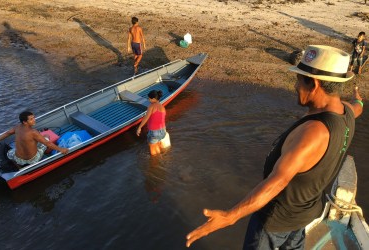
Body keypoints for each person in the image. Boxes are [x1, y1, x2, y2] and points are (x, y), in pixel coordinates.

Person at [186, 45, 364, 249]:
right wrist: (359, 99)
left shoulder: (313, 133)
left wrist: (230, 216)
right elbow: (358, 105)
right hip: (303, 215)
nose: (296, 86)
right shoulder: (347, 113)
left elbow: (276, 182)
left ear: (314, 84)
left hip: (275, 222)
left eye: (298, 80)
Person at [0, 111, 69, 167]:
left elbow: (7, 133)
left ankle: (19, 166)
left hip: (18, 159)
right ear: (25, 122)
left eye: (34, 117)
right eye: (31, 119)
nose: (34, 120)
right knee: (47, 137)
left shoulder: (17, 127)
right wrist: (61, 149)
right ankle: (46, 152)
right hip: (32, 160)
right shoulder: (33, 132)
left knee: (9, 153)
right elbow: (47, 143)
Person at [136, 90, 167, 155]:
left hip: (154, 132)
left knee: (154, 155)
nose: (148, 100)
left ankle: (157, 163)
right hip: (163, 131)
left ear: (153, 99)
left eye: (149, 98)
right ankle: (162, 158)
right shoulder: (162, 107)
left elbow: (146, 118)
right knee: (155, 146)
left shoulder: (152, 106)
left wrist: (139, 127)